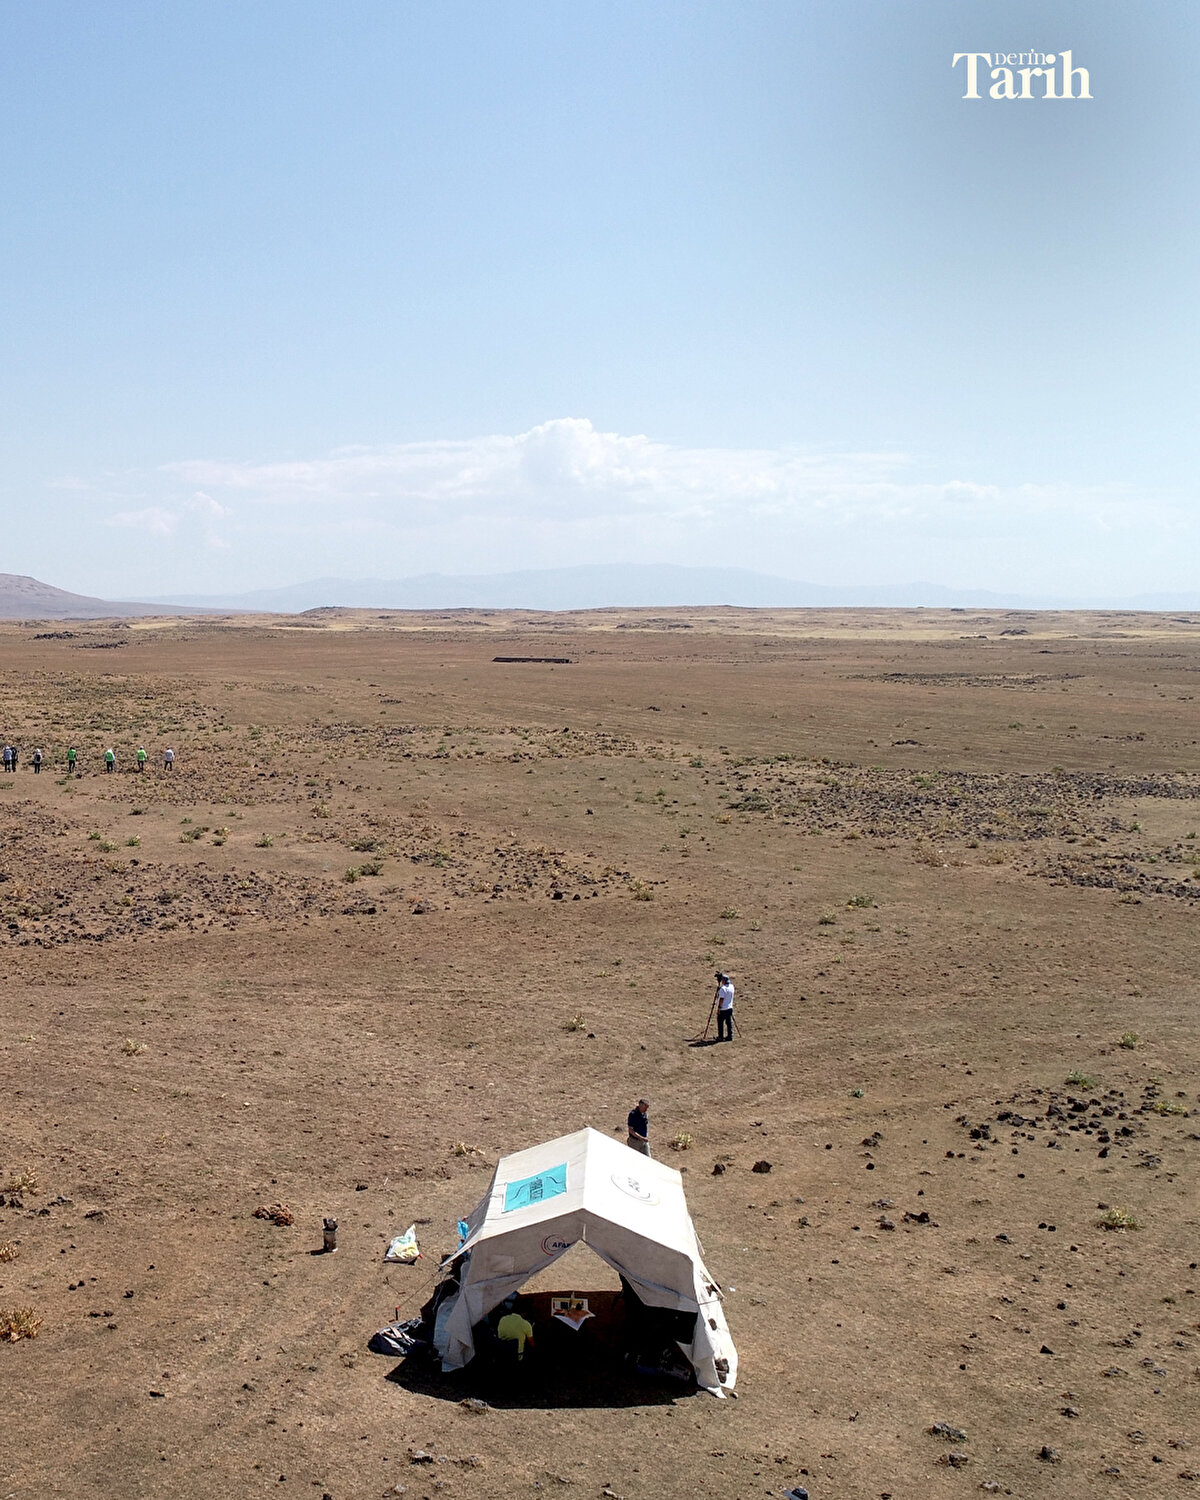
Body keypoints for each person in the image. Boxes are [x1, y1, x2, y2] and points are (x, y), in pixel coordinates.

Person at [714, 972, 735, 1043]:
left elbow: (721, 999)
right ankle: (730, 1035)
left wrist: (719, 1008)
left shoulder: (723, 989)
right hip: (730, 1007)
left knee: (720, 1023)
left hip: (723, 1008)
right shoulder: (732, 986)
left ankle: (720, 1037)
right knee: (729, 1022)